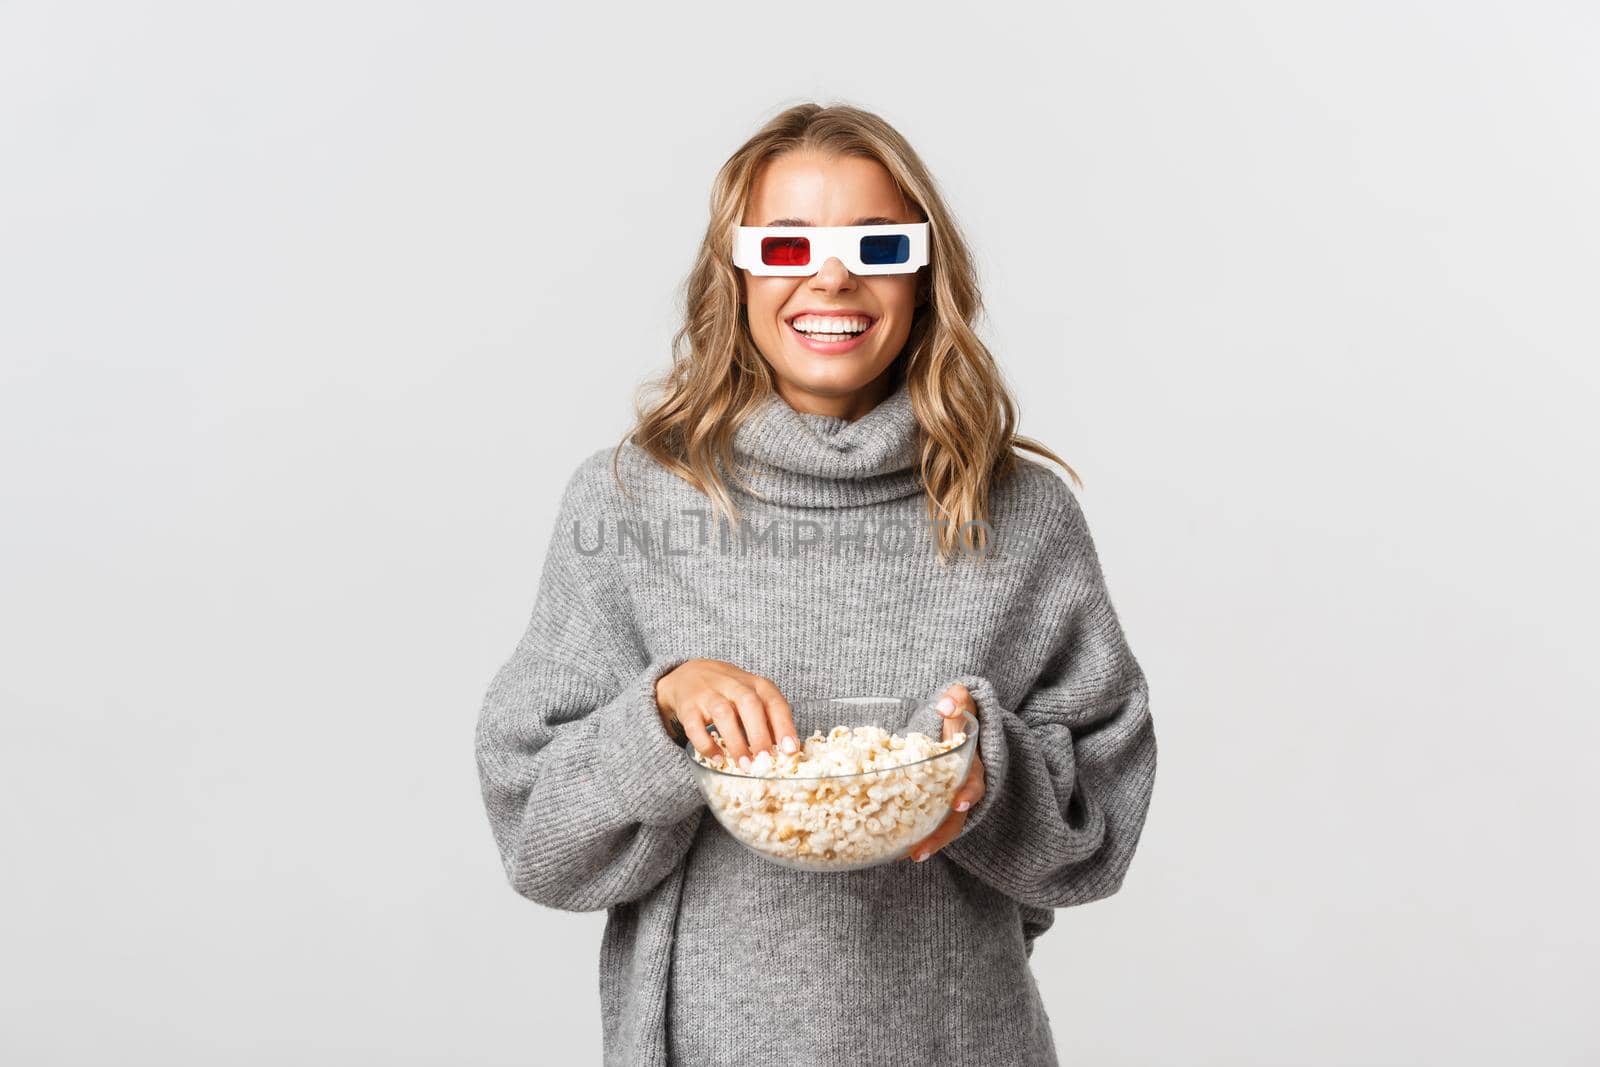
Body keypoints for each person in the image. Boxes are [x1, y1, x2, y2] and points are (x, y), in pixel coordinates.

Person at [474, 101, 1157, 1067]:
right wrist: (663, 713)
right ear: (738, 274)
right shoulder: (630, 499)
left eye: (876, 244)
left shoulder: (1023, 514)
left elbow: (1101, 832)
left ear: (924, 276)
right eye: (786, 245)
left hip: (956, 1039)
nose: (831, 273)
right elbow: (540, 842)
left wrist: (986, 776)